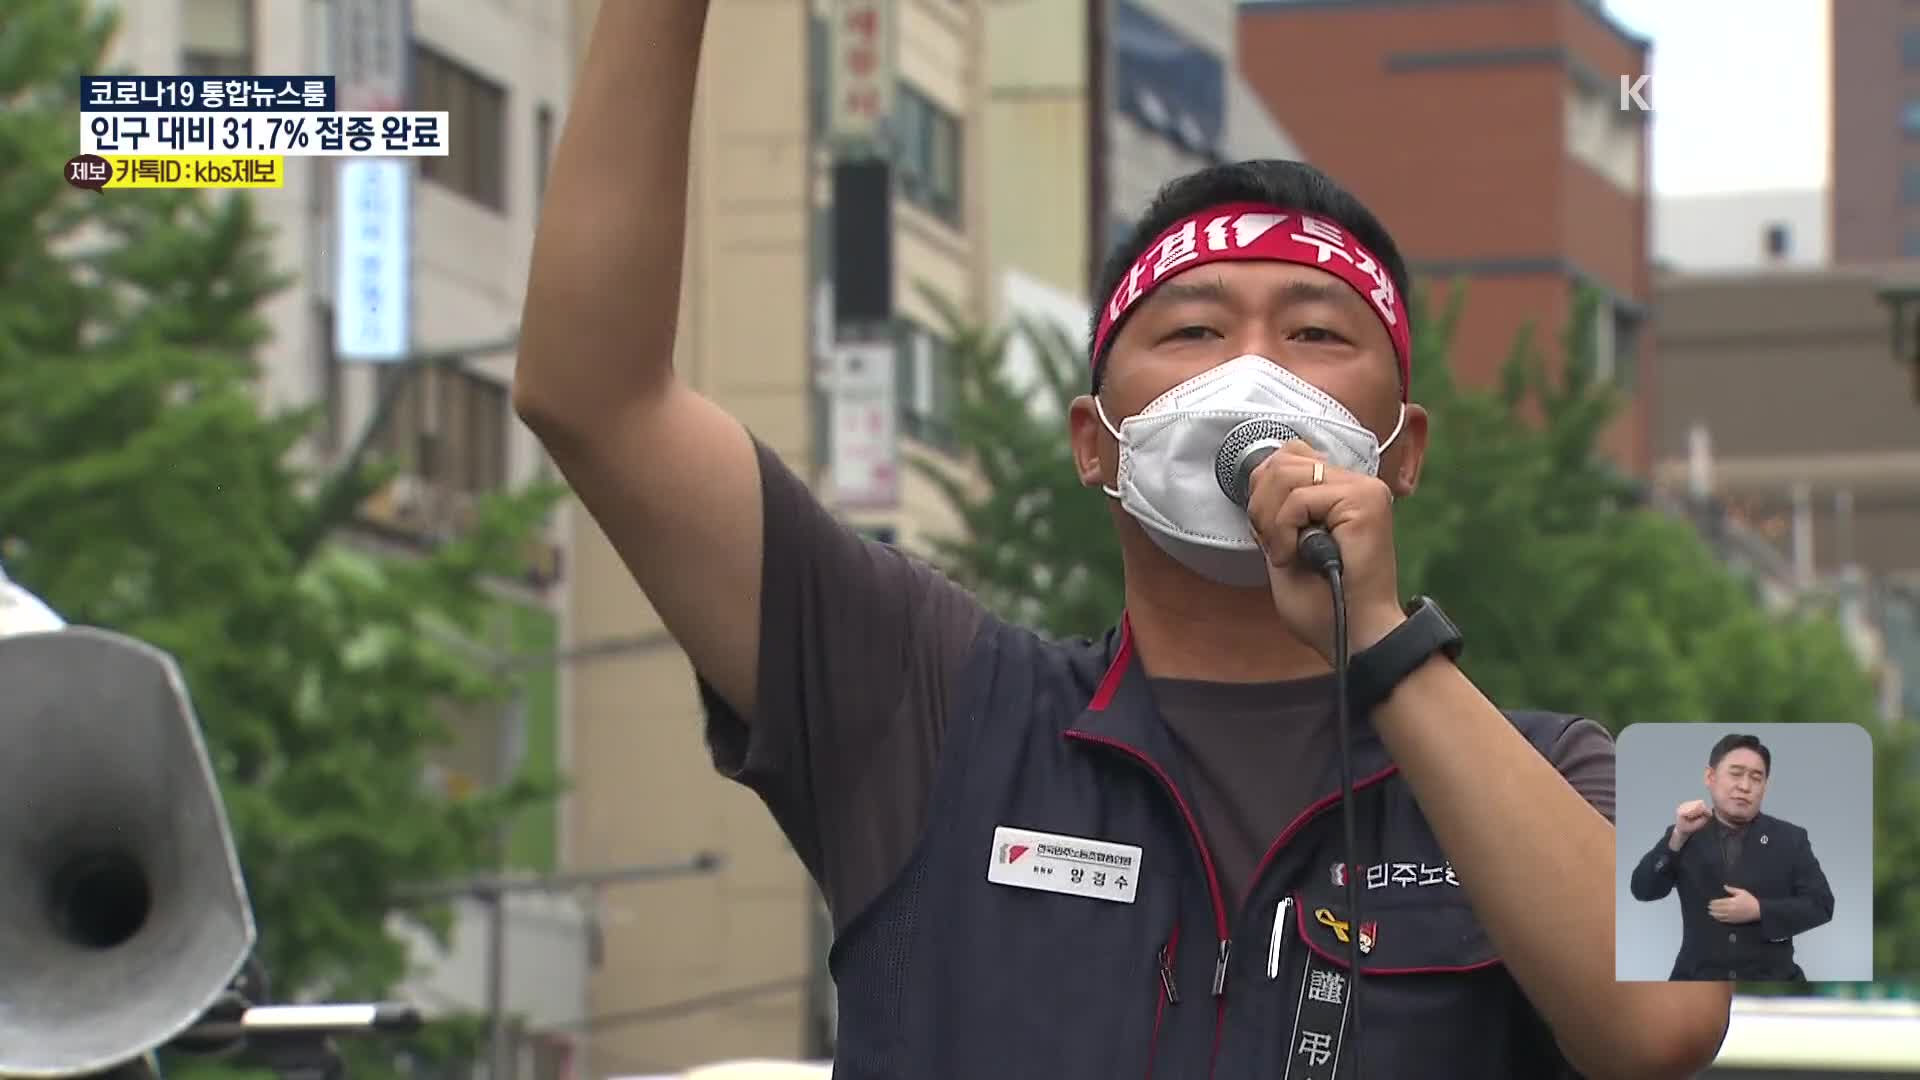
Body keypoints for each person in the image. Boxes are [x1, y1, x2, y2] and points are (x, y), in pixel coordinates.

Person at [514, 5, 1733, 1076]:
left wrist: (1386, 653)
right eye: (1194, 332)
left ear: (1402, 453)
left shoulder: (1567, 768)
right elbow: (595, 398)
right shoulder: (934, 706)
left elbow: (1666, 1028)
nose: (1252, 370)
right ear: (1097, 443)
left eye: (1315, 335)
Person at [1629, 733, 1835, 981]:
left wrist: (1760, 910)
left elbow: (1821, 904)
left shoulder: (1790, 839)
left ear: (1765, 786)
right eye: (1736, 774)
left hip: (1771, 981)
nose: (1745, 786)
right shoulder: (1687, 834)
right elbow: (1642, 889)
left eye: (1756, 778)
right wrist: (1677, 837)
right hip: (1697, 981)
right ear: (1710, 777)